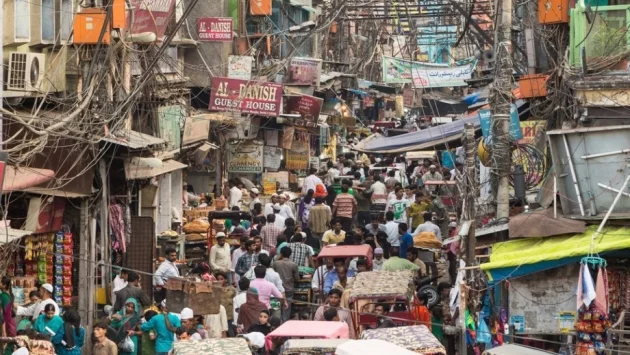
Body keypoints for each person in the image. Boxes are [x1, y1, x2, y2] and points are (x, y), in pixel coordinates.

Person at [273, 247, 299, 322]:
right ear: (290, 254)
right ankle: (284, 324)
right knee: (286, 309)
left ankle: (277, 324)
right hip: (289, 289)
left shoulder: (276, 263)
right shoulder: (293, 265)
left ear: (281, 254)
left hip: (277, 290)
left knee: (276, 308)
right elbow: (297, 278)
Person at [215, 272, 237, 336]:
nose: (220, 281)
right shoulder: (215, 290)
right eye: (218, 279)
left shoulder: (231, 289)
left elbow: (235, 302)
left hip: (229, 316)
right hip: (219, 317)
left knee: (231, 334)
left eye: (221, 279)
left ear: (226, 280)